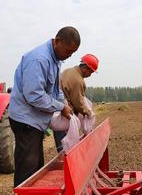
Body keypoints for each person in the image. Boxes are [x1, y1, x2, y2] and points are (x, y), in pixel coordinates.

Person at [8, 26, 80, 186]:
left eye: (72, 53)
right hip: (25, 120)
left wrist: (64, 104)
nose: (69, 56)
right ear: (58, 41)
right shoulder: (39, 59)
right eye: (68, 51)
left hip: (35, 120)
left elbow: (56, 89)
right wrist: (60, 107)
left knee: (36, 166)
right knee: (28, 166)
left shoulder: (56, 60)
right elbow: (34, 95)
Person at [54, 54, 99, 152]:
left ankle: (63, 159)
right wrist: (88, 112)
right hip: (64, 115)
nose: (90, 75)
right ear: (85, 68)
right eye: (91, 72)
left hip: (56, 112)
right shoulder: (78, 81)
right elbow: (78, 103)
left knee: (61, 146)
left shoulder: (68, 71)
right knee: (66, 149)